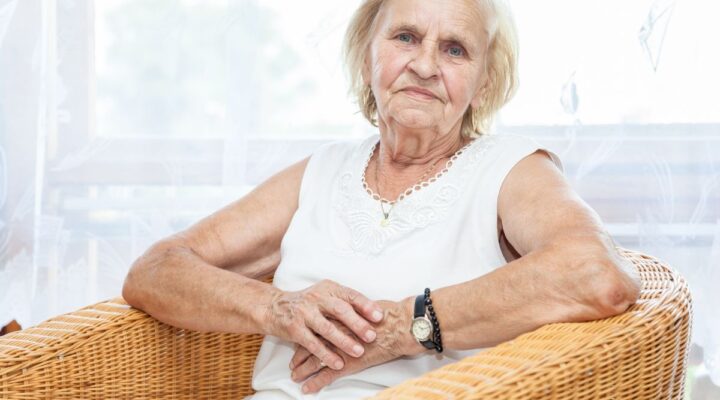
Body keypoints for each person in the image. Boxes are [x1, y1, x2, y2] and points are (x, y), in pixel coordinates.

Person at [122, 0, 642, 398]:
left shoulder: (511, 168)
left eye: (455, 49)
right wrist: (276, 308)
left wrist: (402, 328)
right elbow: (154, 271)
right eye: (405, 37)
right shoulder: (321, 172)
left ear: (482, 85)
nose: (425, 65)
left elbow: (595, 276)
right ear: (368, 55)